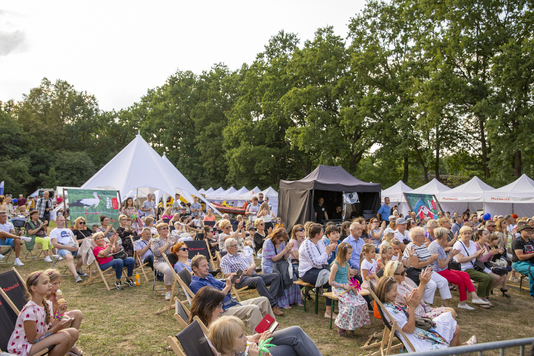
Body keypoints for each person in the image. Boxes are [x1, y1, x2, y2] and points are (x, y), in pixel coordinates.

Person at [190, 287, 321, 356]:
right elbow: (228, 348)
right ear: (208, 307)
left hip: (250, 345)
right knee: (292, 347)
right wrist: (255, 343)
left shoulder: (212, 322)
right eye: (219, 306)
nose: (222, 310)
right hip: (249, 351)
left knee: (296, 332)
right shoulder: (208, 331)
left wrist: (253, 337)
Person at [375, 276, 476, 352]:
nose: (397, 293)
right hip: (416, 337)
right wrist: (411, 307)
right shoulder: (389, 310)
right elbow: (409, 329)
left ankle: (461, 351)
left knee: (454, 327)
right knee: (455, 329)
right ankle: (458, 351)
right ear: (385, 292)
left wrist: (409, 305)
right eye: (394, 290)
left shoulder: (388, 304)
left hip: (417, 329)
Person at [189, 255, 275, 334]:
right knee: (253, 309)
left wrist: (231, 280)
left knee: (263, 300)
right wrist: (227, 287)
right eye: (204, 266)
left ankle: (273, 332)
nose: (208, 268)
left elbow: (222, 285)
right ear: (195, 268)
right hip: (221, 311)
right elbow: (214, 301)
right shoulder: (196, 284)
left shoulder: (208, 276)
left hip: (232, 304)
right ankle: (258, 340)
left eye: (207, 265)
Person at [7, 270, 80, 356]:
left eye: (49, 282)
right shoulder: (29, 311)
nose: (49, 285)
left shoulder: (47, 304)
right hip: (24, 348)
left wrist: (60, 314)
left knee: (74, 332)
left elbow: (52, 326)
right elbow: (33, 340)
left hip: (37, 342)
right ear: (34, 288)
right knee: (64, 336)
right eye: (45, 283)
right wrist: (56, 329)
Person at [428, 227, 489, 310]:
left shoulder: (436, 244)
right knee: (461, 281)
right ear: (443, 236)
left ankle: (473, 297)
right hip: (440, 271)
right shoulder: (437, 246)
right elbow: (442, 265)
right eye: (446, 234)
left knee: (465, 274)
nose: (447, 236)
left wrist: (446, 250)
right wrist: (450, 255)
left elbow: (440, 255)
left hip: (443, 269)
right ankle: (463, 302)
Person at [221, 237, 284, 316]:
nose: (236, 246)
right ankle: (273, 305)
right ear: (227, 248)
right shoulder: (225, 259)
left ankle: (270, 302)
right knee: (257, 280)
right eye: (234, 246)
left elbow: (253, 263)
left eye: (236, 244)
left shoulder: (242, 254)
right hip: (240, 280)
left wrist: (251, 268)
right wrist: (242, 273)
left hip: (253, 275)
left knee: (276, 276)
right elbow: (227, 274)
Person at [383, 261, 455, 318]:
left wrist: (423, 282)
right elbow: (416, 302)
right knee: (451, 313)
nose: (405, 274)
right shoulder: (396, 290)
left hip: (422, 310)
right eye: (402, 273)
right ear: (394, 275)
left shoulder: (401, 282)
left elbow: (416, 293)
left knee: (451, 311)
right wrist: (423, 283)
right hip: (417, 316)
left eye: (405, 271)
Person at [329, 242, 370, 336]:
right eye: (349, 253)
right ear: (342, 253)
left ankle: (352, 324)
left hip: (346, 287)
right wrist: (343, 286)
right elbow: (331, 282)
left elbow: (348, 279)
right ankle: (340, 325)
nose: (351, 255)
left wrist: (353, 286)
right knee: (350, 305)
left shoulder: (346, 265)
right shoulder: (335, 265)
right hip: (338, 288)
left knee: (362, 302)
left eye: (351, 253)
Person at [403, 227, 451, 306]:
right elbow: (416, 265)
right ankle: (425, 305)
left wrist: (432, 258)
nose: (424, 237)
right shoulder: (411, 247)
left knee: (443, 281)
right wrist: (430, 260)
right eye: (422, 235)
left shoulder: (422, 245)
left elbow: (427, 258)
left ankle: (445, 305)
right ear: (415, 237)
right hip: (417, 272)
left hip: (427, 270)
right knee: (432, 285)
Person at [299, 223, 338, 318]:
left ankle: (336, 305)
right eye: (321, 232)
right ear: (316, 235)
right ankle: (328, 312)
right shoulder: (307, 244)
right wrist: (327, 252)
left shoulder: (320, 241)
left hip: (320, 269)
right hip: (307, 272)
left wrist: (328, 252)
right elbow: (315, 263)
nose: (323, 233)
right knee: (331, 281)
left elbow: (325, 258)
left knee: (339, 277)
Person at [261, 228, 303, 309]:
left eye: (283, 240)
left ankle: (294, 300)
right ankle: (283, 302)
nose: (281, 242)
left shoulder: (282, 242)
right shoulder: (268, 243)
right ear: (275, 237)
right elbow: (274, 259)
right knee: (280, 277)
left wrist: (288, 251)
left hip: (280, 266)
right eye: (280, 240)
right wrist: (285, 250)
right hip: (269, 267)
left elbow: (284, 258)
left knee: (292, 276)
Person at [453, 226, 494, 305]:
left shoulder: (472, 243)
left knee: (491, 277)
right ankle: (480, 298)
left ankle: (484, 297)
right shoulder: (458, 244)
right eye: (465, 233)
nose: (467, 235)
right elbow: (460, 260)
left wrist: (479, 254)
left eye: (469, 233)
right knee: (485, 278)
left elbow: (476, 258)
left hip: (472, 266)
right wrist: (475, 255)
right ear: (461, 234)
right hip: (463, 268)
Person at [45, 268, 84, 350]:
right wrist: (56, 304)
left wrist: (61, 305)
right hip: (51, 323)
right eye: (54, 283)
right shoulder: (45, 299)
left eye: (59, 282)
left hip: (57, 315)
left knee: (78, 313)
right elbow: (50, 319)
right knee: (66, 319)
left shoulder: (54, 295)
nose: (58, 286)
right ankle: (68, 345)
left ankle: (71, 343)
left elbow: (59, 311)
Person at [50, 216, 84, 282]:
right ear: (56, 222)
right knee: (70, 257)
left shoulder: (68, 230)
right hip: (62, 248)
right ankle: (76, 276)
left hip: (73, 246)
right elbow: (55, 244)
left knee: (84, 254)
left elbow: (75, 240)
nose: (63, 222)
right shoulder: (54, 231)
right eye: (61, 220)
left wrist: (77, 246)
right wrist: (68, 248)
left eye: (63, 220)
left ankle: (77, 270)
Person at [473, 229, 505, 294]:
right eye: (485, 234)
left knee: (503, 276)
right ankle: (483, 293)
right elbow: (480, 261)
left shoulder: (485, 245)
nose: (487, 236)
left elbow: (489, 260)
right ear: (480, 236)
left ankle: (487, 292)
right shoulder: (476, 245)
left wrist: (493, 253)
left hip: (486, 265)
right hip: (478, 266)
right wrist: (490, 254)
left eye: (487, 234)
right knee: (497, 277)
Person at [150, 222, 176, 300]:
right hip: (160, 261)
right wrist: (168, 244)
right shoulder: (155, 240)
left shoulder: (172, 238)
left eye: (167, 228)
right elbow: (157, 253)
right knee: (168, 270)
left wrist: (175, 245)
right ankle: (168, 291)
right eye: (163, 228)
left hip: (173, 260)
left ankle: (188, 289)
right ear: (159, 231)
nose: (166, 230)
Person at [511, 224, 534, 300]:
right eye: (527, 230)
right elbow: (520, 257)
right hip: (519, 263)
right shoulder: (517, 241)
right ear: (521, 231)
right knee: (532, 270)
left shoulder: (531, 241)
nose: (529, 232)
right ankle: (532, 293)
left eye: (530, 230)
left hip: (531, 262)